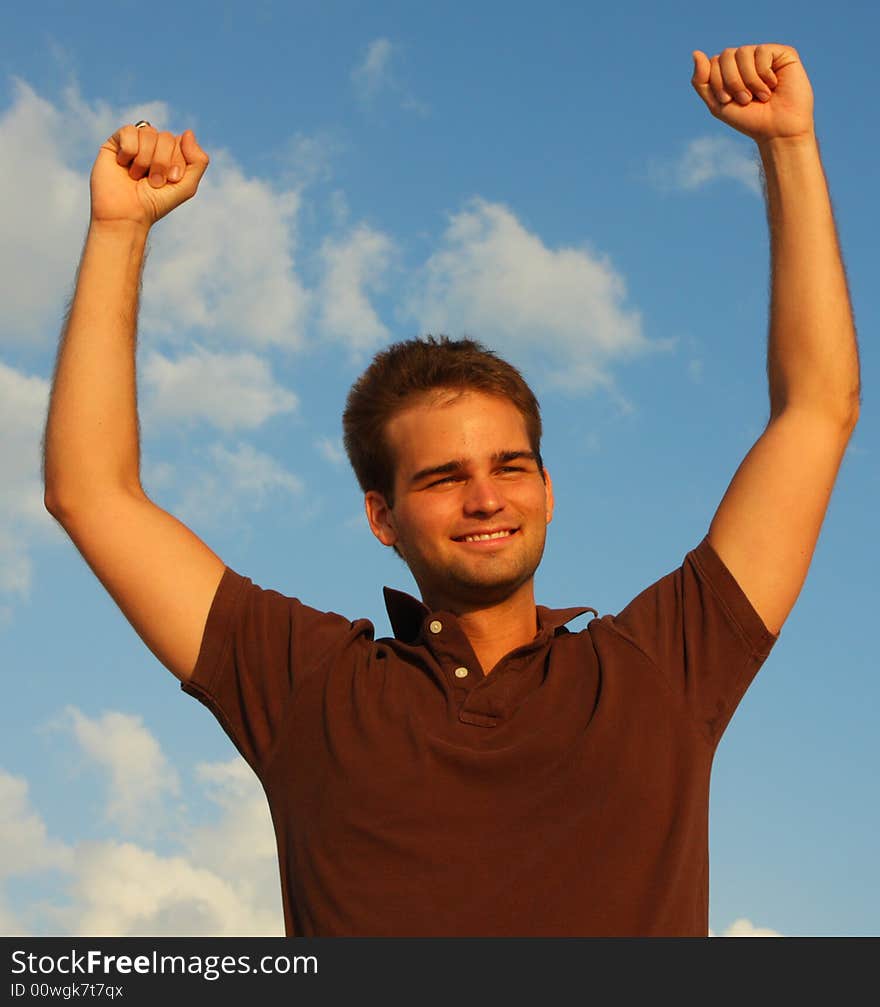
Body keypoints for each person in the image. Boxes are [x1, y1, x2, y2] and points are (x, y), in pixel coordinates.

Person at [43, 43, 859, 937]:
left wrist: (789, 145)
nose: (486, 497)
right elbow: (93, 493)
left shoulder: (660, 668)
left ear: (548, 488)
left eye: (509, 466)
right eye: (443, 477)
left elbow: (817, 409)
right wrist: (120, 231)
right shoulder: (308, 685)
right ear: (380, 516)